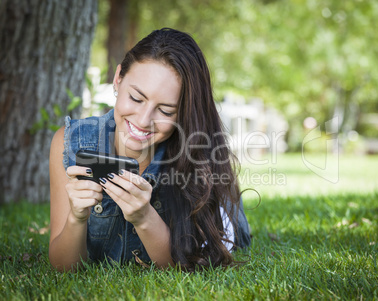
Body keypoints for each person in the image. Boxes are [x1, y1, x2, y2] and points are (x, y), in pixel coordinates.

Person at [49, 28, 251, 272]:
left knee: (230, 233)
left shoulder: (196, 154)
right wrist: (76, 218)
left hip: (223, 221)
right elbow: (62, 267)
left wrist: (144, 217)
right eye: (136, 98)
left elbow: (188, 266)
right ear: (118, 78)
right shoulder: (71, 142)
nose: (144, 120)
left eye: (165, 111)